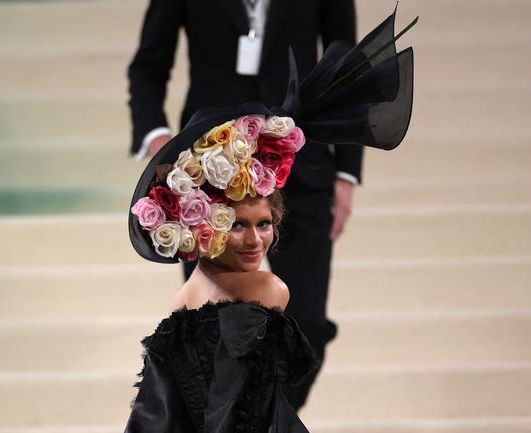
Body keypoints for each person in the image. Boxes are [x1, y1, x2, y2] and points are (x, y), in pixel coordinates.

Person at [73, 10, 435, 433]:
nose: (256, 237)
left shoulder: (259, 270)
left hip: (295, 160)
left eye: (260, 228)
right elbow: (150, 61)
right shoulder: (221, 260)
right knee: (225, 335)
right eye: (248, 228)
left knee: (281, 328)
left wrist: (344, 172)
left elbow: (346, 57)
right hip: (203, 164)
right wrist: (164, 145)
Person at [127, 0, 364, 409]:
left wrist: (346, 172)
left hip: (298, 168)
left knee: (305, 323)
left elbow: (347, 69)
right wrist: (156, 137)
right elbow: (149, 63)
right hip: (207, 175)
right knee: (209, 327)